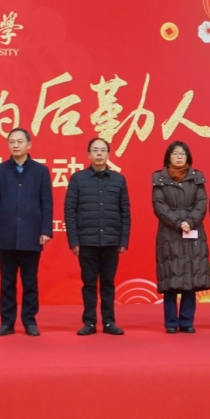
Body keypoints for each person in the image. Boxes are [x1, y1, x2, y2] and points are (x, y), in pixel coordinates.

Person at [0, 128, 53, 336]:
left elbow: (47, 203)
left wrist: (45, 230)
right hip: (5, 233)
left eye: (19, 141)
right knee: (7, 282)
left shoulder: (41, 171)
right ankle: (7, 323)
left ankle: (29, 322)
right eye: (12, 141)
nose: (15, 145)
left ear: (28, 145)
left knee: (30, 281)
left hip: (31, 233)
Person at [65, 137, 130, 336]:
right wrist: (74, 241)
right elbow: (70, 211)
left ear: (108, 154)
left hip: (111, 240)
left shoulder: (118, 180)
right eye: (95, 150)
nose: (99, 153)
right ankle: (90, 322)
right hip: (87, 241)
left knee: (108, 283)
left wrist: (123, 240)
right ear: (89, 154)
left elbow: (125, 212)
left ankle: (109, 322)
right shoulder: (78, 179)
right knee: (89, 284)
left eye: (103, 150)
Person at [152, 141, 210, 334]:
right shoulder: (159, 178)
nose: (179, 157)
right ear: (168, 157)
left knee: (189, 278)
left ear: (188, 157)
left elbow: (201, 203)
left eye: (182, 153)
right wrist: (179, 223)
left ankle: (187, 321)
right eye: (175, 153)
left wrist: (190, 222)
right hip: (169, 233)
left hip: (193, 232)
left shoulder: (197, 177)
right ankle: (170, 322)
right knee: (170, 278)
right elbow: (159, 206)